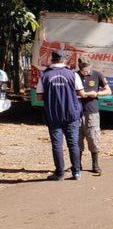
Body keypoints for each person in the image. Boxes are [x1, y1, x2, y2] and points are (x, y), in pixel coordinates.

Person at [36, 50, 85, 181]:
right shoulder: (72, 75)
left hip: (53, 115)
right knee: (73, 143)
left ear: (52, 60)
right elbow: (81, 93)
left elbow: (39, 97)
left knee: (57, 145)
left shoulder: (44, 76)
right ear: (64, 60)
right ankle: (76, 172)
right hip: (71, 114)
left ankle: (60, 173)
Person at [77, 57, 111, 175]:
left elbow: (108, 91)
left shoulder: (97, 75)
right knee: (77, 137)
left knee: (93, 137)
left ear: (90, 66)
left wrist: (96, 94)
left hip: (92, 111)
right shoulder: (74, 75)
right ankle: (77, 164)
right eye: (82, 69)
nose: (84, 72)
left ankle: (95, 164)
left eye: (86, 69)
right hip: (76, 111)